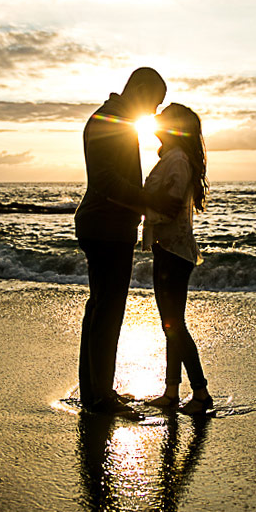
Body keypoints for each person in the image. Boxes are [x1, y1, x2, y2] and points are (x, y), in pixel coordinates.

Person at [75, 67, 178, 416]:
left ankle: (94, 393)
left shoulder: (114, 119)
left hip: (106, 224)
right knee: (107, 310)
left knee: (100, 309)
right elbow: (105, 181)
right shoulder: (109, 120)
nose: (153, 112)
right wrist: (151, 202)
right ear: (141, 88)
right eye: (155, 102)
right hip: (105, 226)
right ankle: (99, 398)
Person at [142, 103, 212, 415]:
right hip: (168, 248)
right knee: (170, 324)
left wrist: (134, 196)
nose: (156, 121)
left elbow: (170, 206)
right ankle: (172, 392)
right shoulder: (173, 158)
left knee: (174, 325)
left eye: (163, 118)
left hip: (174, 251)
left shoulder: (178, 161)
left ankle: (200, 392)